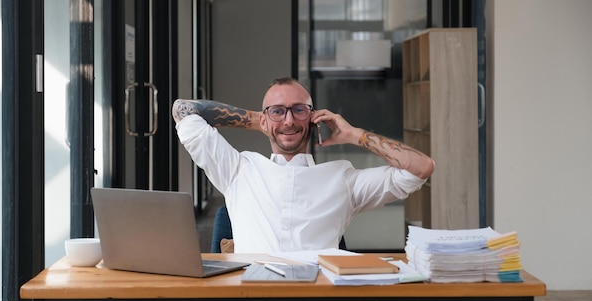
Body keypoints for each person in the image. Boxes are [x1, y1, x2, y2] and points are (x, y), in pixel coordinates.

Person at [172, 77, 434, 253]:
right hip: (252, 298)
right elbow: (183, 109)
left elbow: (421, 167)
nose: (289, 121)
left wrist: (354, 135)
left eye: (299, 110)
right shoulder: (238, 169)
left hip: (317, 300)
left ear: (314, 118)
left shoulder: (343, 178)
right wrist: (263, 121)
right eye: (278, 111)